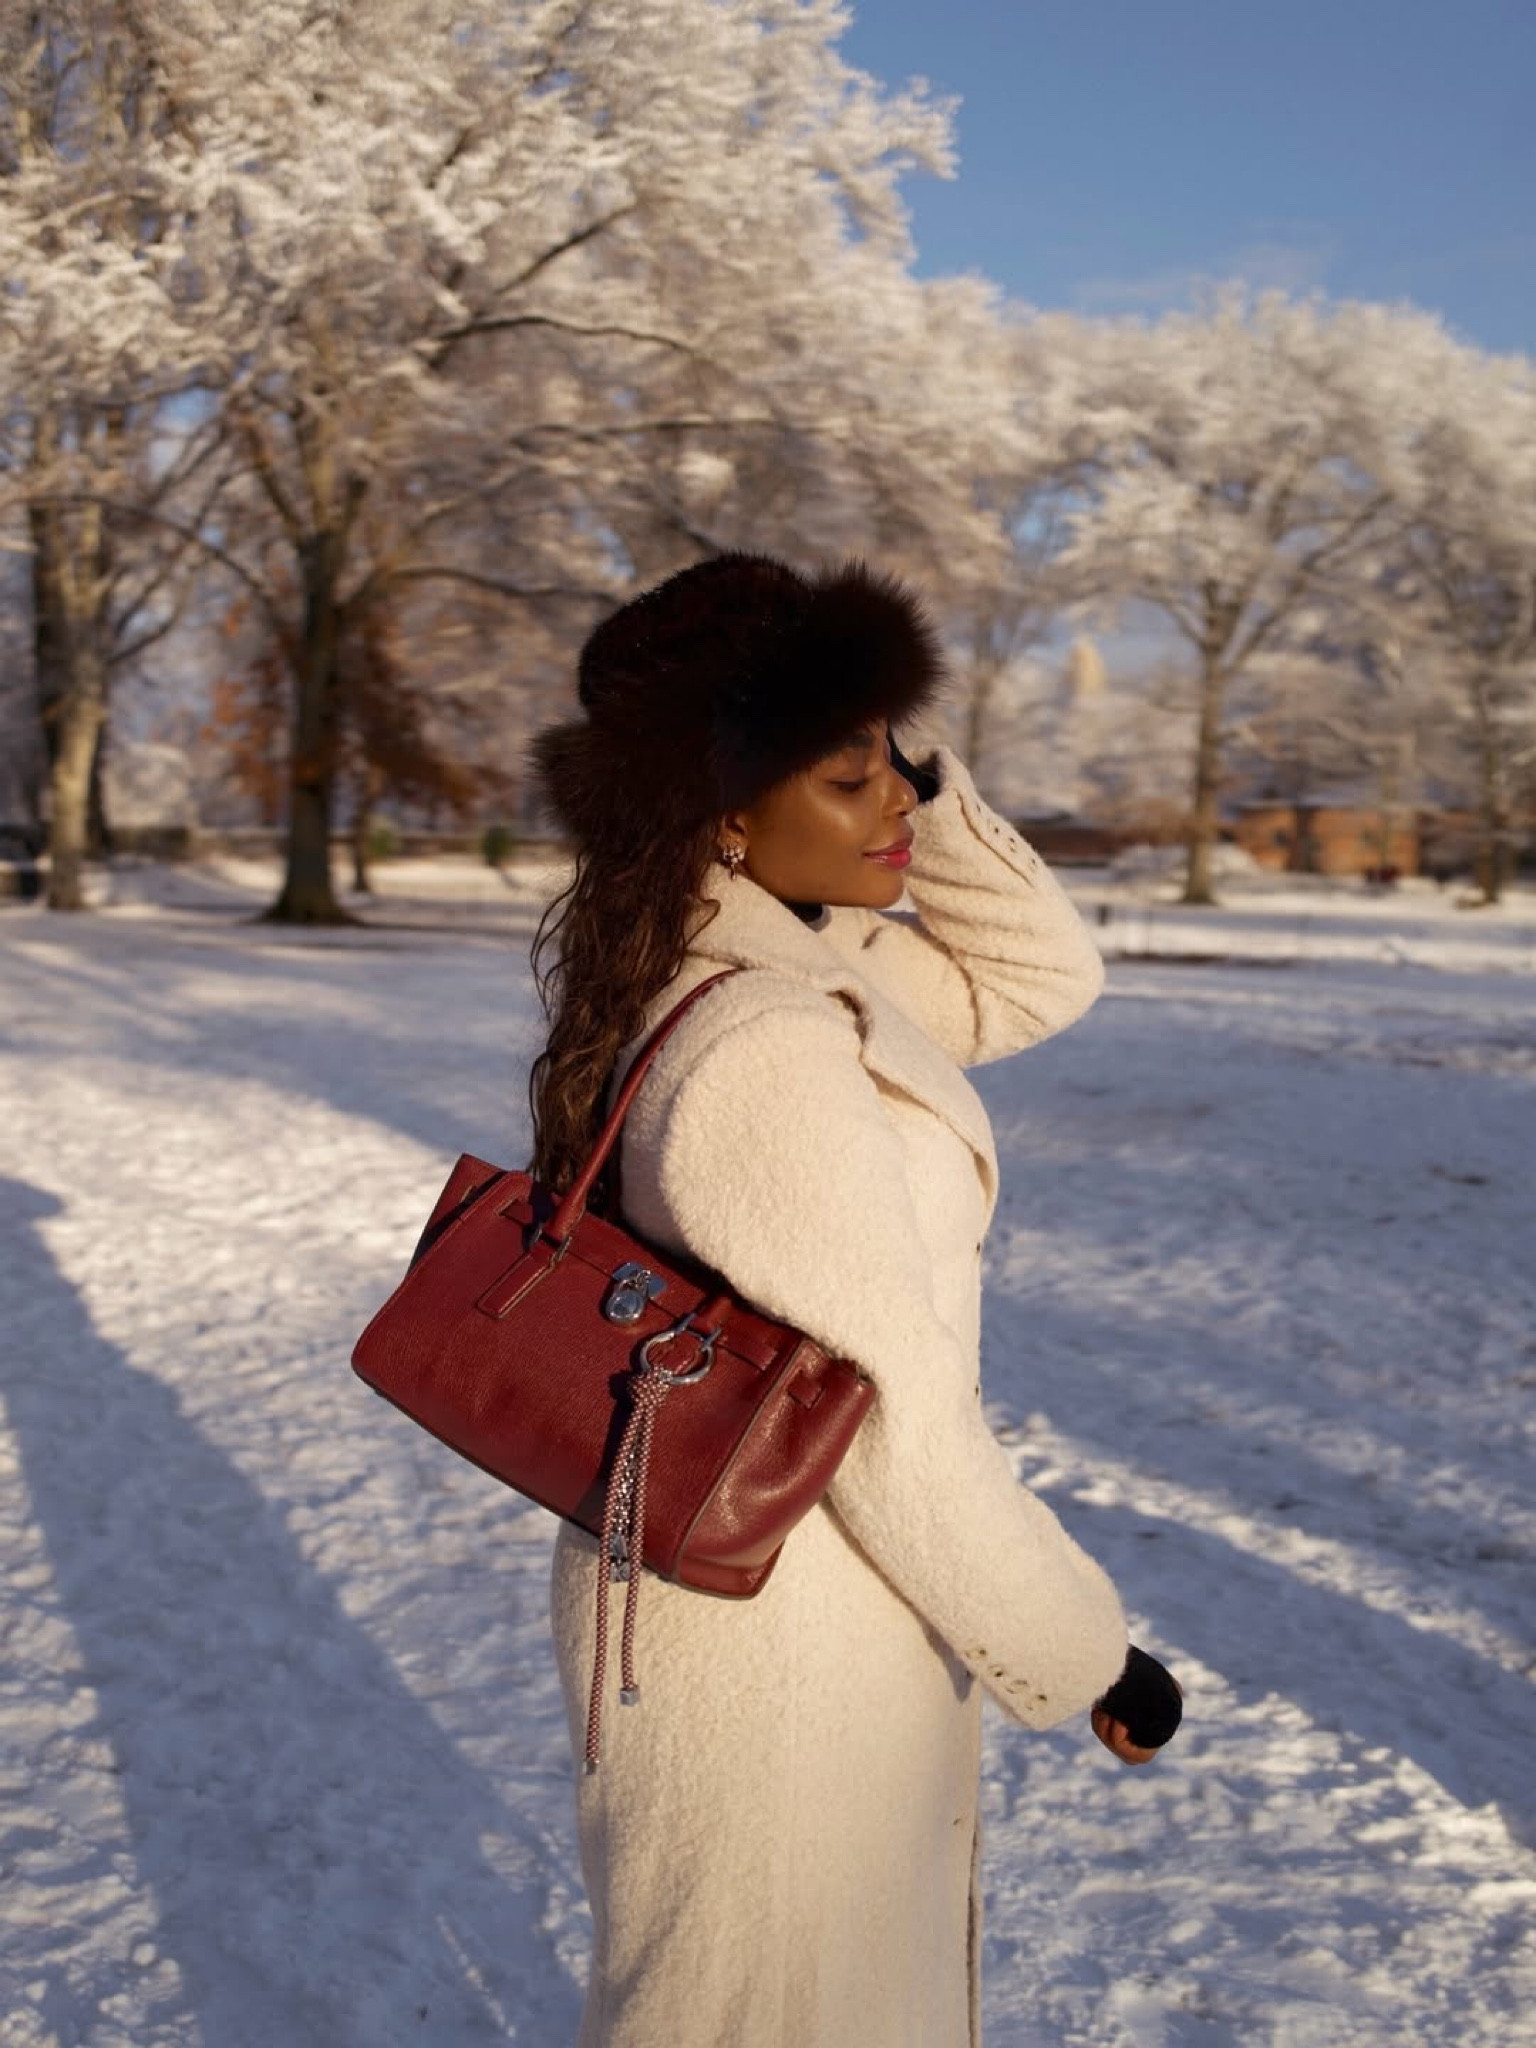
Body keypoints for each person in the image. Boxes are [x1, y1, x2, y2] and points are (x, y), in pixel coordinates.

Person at [526, 552, 1180, 2048]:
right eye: (846, 773)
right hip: (774, 1641)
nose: (895, 801)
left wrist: (912, 766)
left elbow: (1037, 976)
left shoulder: (789, 961)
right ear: (725, 811)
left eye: (893, 754)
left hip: (800, 1607)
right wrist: (1086, 1649)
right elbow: (887, 1423)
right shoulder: (762, 1037)